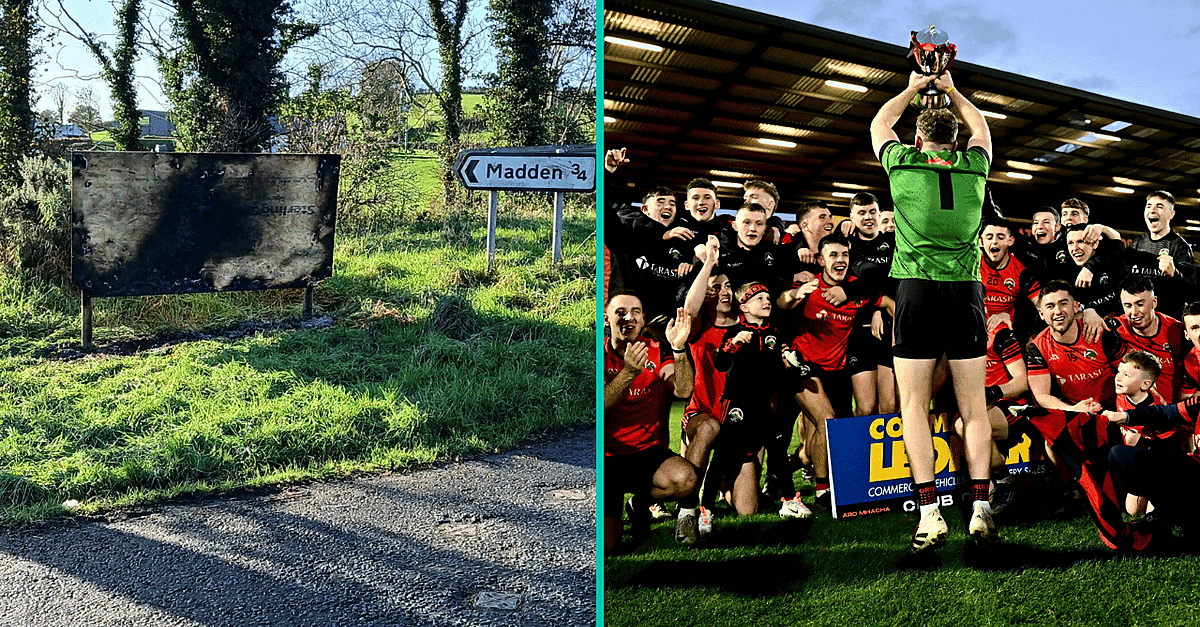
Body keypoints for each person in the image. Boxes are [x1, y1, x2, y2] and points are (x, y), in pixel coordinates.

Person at [870, 68, 996, 549]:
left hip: (918, 293)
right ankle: (980, 507)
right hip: (965, 292)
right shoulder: (975, 167)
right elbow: (983, 129)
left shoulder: (903, 163)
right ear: (957, 139)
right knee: (974, 408)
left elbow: (881, 122)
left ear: (919, 137)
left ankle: (929, 514)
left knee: (913, 408)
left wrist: (911, 88)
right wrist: (951, 90)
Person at [777, 233, 893, 511]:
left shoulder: (856, 289)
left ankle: (797, 467)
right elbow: (783, 302)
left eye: (844, 255)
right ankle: (821, 491)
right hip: (803, 366)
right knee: (826, 421)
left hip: (837, 370)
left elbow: (888, 301)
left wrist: (896, 321)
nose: (840, 261)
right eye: (833, 255)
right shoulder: (810, 285)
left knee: (827, 433)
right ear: (820, 260)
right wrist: (795, 294)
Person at [603, 292, 696, 550]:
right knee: (607, 546)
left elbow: (683, 389)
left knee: (686, 478)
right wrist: (629, 372)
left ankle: (640, 502)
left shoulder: (655, 349)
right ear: (606, 318)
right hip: (606, 460)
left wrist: (678, 349)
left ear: (643, 319)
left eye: (635, 311)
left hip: (644, 454)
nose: (628, 317)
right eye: (620, 311)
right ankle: (612, 515)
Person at [676, 236, 742, 537]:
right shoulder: (700, 325)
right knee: (708, 429)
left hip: (739, 421)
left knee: (746, 506)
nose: (724, 292)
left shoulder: (748, 323)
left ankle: (717, 488)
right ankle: (687, 510)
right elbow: (689, 309)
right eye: (716, 288)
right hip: (703, 414)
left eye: (728, 286)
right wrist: (709, 264)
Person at [1124, 191, 1197, 320]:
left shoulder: (1180, 247)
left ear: (1171, 214)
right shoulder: (1136, 244)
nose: (1152, 210)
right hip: (1139, 320)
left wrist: (1174, 273)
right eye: (1149, 206)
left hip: (1168, 320)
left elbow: (1192, 292)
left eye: (1159, 206)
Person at [1113, 276, 1184, 406]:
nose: (1134, 312)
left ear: (1154, 302)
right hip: (1133, 415)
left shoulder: (1177, 331)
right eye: (1128, 306)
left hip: (1176, 412)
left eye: (1140, 304)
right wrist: (1089, 313)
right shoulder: (1116, 329)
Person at [1064, 224, 1126, 318]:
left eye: (1081, 241)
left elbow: (1116, 241)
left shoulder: (1111, 262)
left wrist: (1101, 227)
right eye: (1070, 243)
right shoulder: (1065, 272)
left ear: (1095, 244)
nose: (1075, 248)